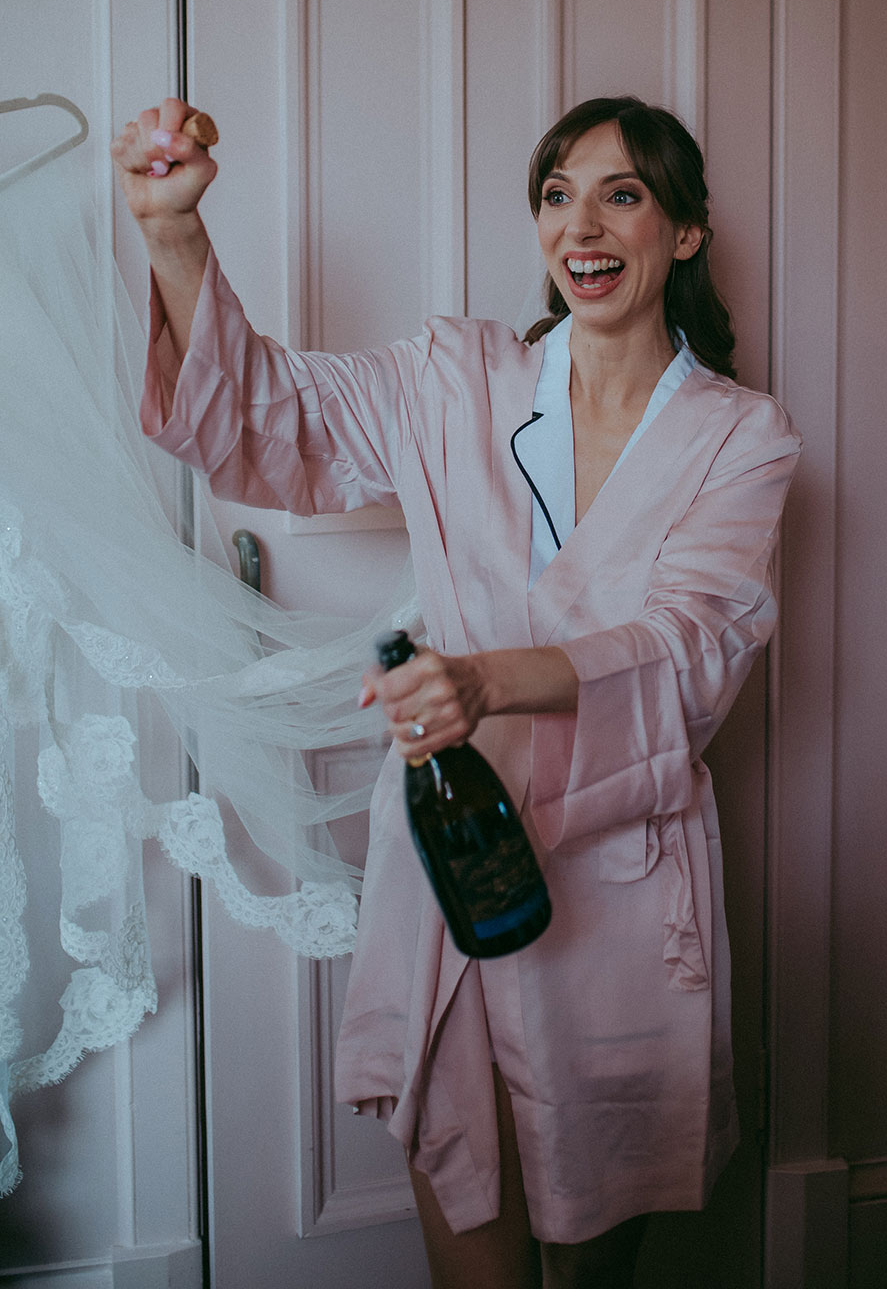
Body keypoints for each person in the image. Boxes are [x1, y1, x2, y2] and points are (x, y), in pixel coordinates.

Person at [112, 94, 801, 1289]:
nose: (580, 224)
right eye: (555, 194)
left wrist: (483, 681)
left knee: (587, 1259)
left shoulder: (742, 439)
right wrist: (174, 235)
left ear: (685, 231)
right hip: (452, 864)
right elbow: (268, 419)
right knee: (471, 1250)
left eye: (621, 194)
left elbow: (693, 647)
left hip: (620, 893)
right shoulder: (454, 378)